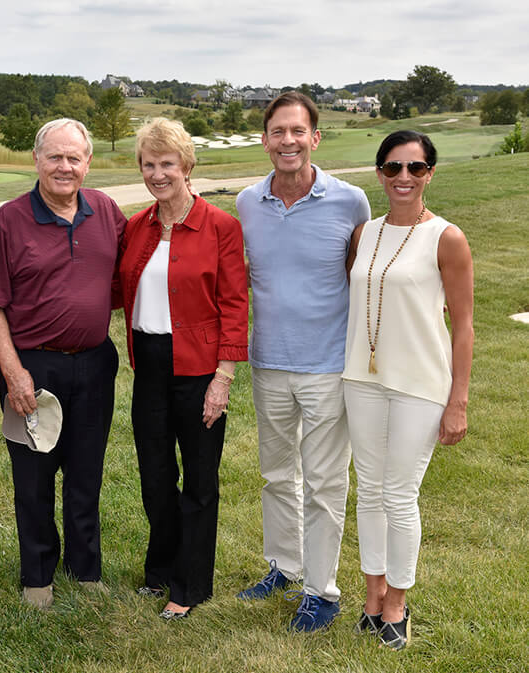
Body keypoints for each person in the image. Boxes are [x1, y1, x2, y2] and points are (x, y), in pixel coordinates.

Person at [235, 92, 371, 631]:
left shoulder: (351, 201)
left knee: (323, 482)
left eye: (298, 132)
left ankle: (323, 590)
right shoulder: (248, 203)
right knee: (275, 475)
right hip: (268, 361)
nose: (287, 141)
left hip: (326, 366)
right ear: (265, 139)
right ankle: (284, 567)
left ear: (315, 138)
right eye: (277, 132)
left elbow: (360, 280)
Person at [0, 118, 126, 609]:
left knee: (86, 474)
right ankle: (38, 576)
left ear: (87, 163)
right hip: (34, 369)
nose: (65, 167)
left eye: (74, 158)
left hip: (95, 363)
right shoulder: (9, 220)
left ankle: (85, 570)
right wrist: (13, 372)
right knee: (35, 477)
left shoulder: (106, 211)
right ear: (36, 161)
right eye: (55, 157)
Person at [343, 130, 473, 650]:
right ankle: (372, 596)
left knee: (400, 494)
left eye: (415, 168)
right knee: (369, 492)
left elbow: (463, 324)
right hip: (362, 378)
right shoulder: (364, 234)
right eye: (393, 167)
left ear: (430, 174)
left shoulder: (447, 237)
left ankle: (397, 603)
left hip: (421, 383)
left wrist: (458, 400)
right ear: (379, 173)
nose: (403, 177)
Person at [117, 118, 248, 620]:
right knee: (154, 476)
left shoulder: (221, 227)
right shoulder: (137, 227)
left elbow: (235, 305)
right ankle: (161, 567)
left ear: (187, 166)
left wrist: (224, 377)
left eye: (166, 164)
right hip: (149, 365)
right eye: (148, 165)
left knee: (198, 480)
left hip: (199, 371)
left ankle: (189, 585)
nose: (157, 173)